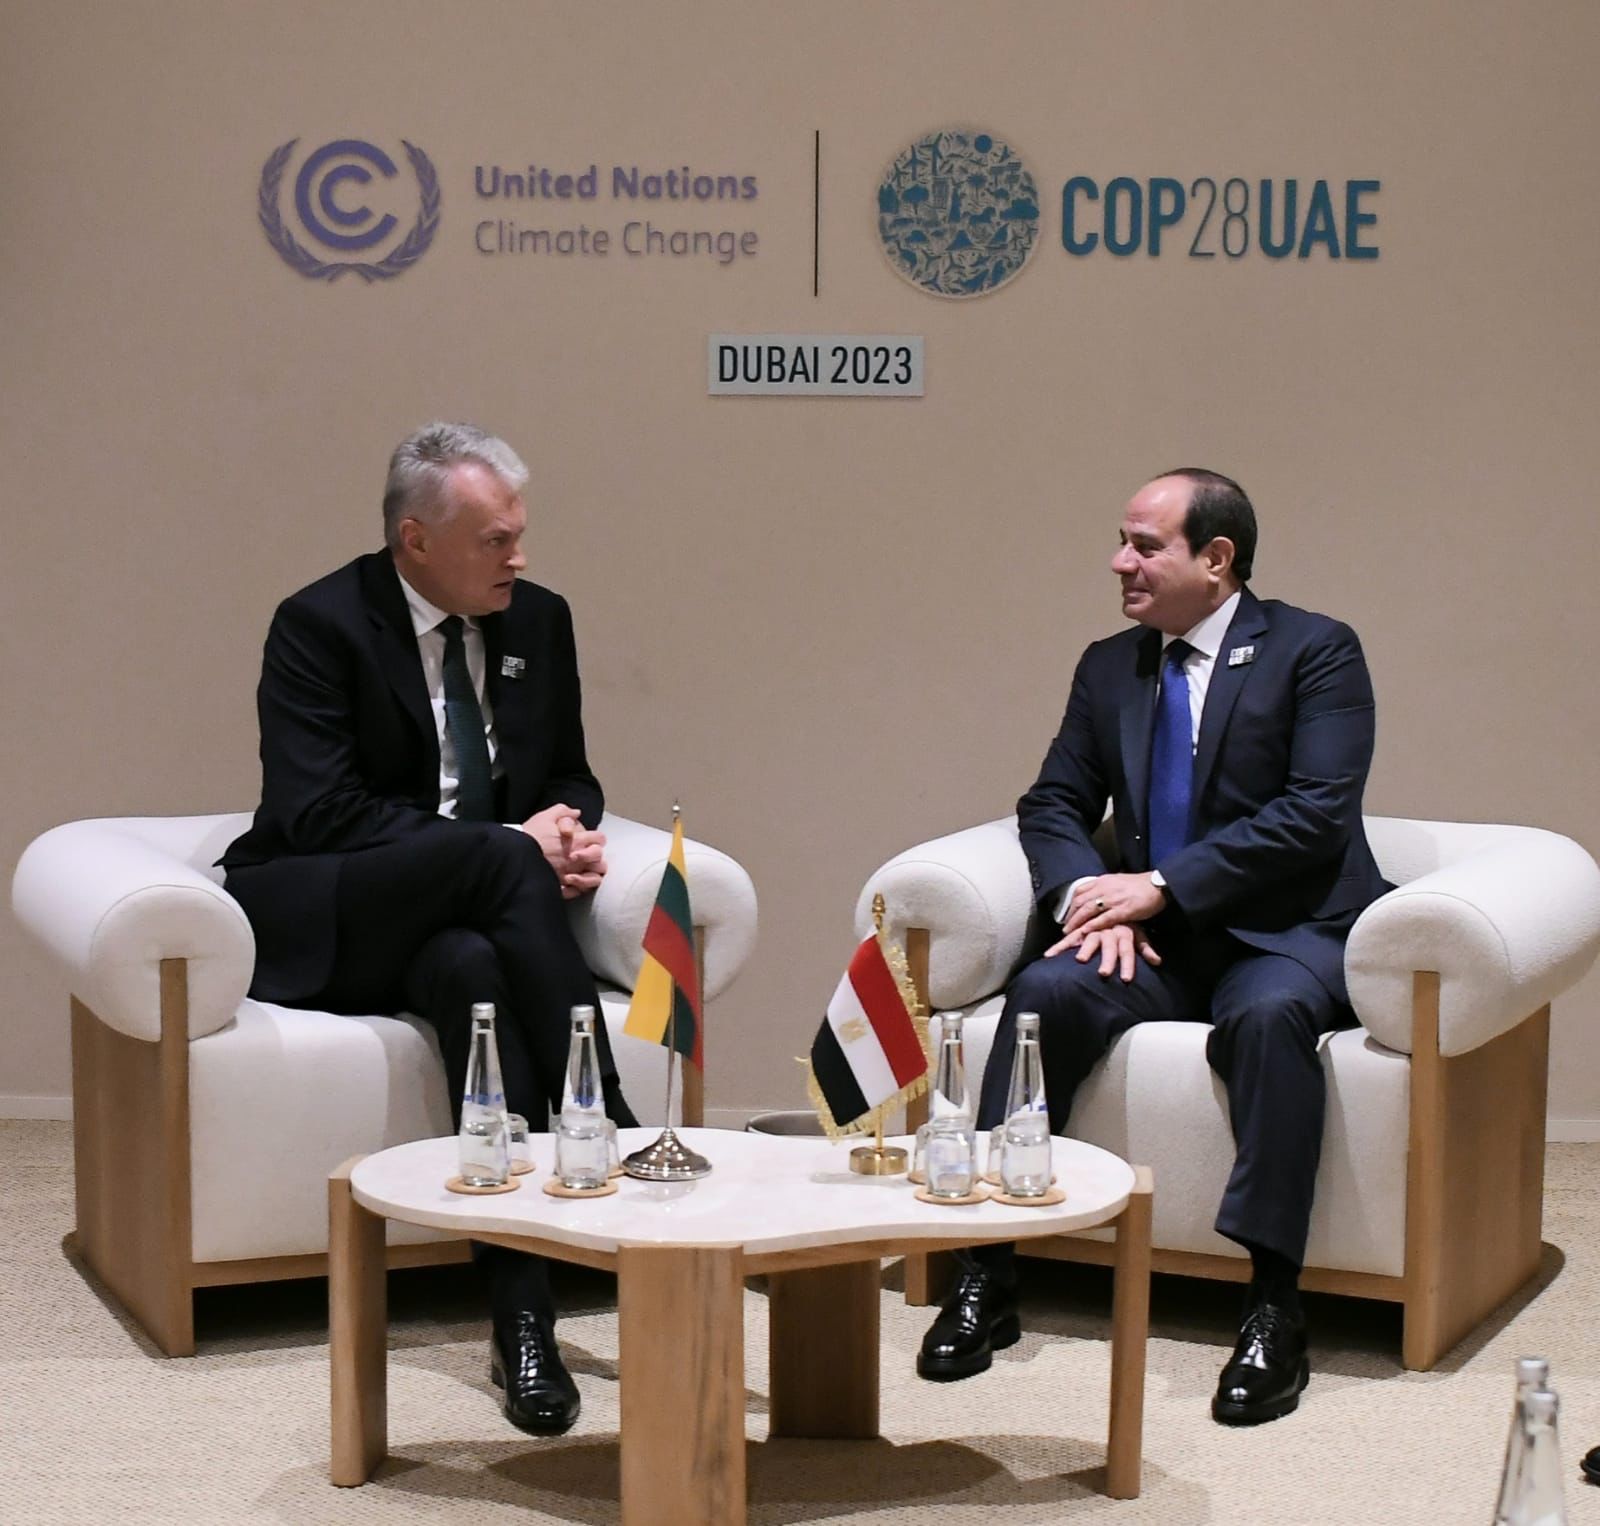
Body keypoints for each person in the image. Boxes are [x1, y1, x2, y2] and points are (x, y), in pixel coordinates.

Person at [917, 468, 1389, 1425]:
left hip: (1284, 931)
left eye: (1143, 545)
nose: (1118, 562)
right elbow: (1053, 803)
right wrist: (1085, 899)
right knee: (1045, 995)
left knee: (1269, 1020)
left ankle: (1274, 1306)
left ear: (1215, 559)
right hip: (1156, 944)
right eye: (1122, 542)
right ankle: (984, 1272)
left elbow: (1316, 813)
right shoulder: (1111, 668)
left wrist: (1164, 886)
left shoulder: (1315, 651)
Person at [222, 421, 635, 1435]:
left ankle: (523, 1321)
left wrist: (564, 827)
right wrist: (505, 846)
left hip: (466, 923)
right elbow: (318, 813)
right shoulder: (319, 624)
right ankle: (609, 1120)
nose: (518, 557)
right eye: (495, 539)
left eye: (519, 534)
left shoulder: (539, 620)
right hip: (335, 907)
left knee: (473, 973)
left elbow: (570, 769)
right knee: (495, 862)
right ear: (416, 539)